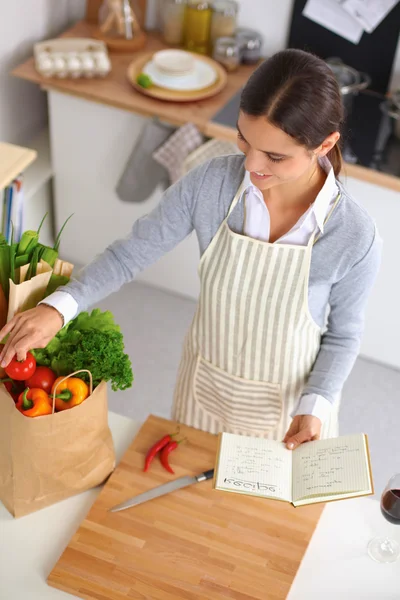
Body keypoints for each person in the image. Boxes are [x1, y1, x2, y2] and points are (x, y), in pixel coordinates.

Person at [0, 49, 381, 450]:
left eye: (275, 156)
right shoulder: (211, 184)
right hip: (204, 390)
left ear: (325, 144)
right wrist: (59, 306)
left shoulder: (354, 235)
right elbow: (130, 254)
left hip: (288, 412)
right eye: (243, 139)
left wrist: (315, 405)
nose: (251, 165)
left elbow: (343, 336)